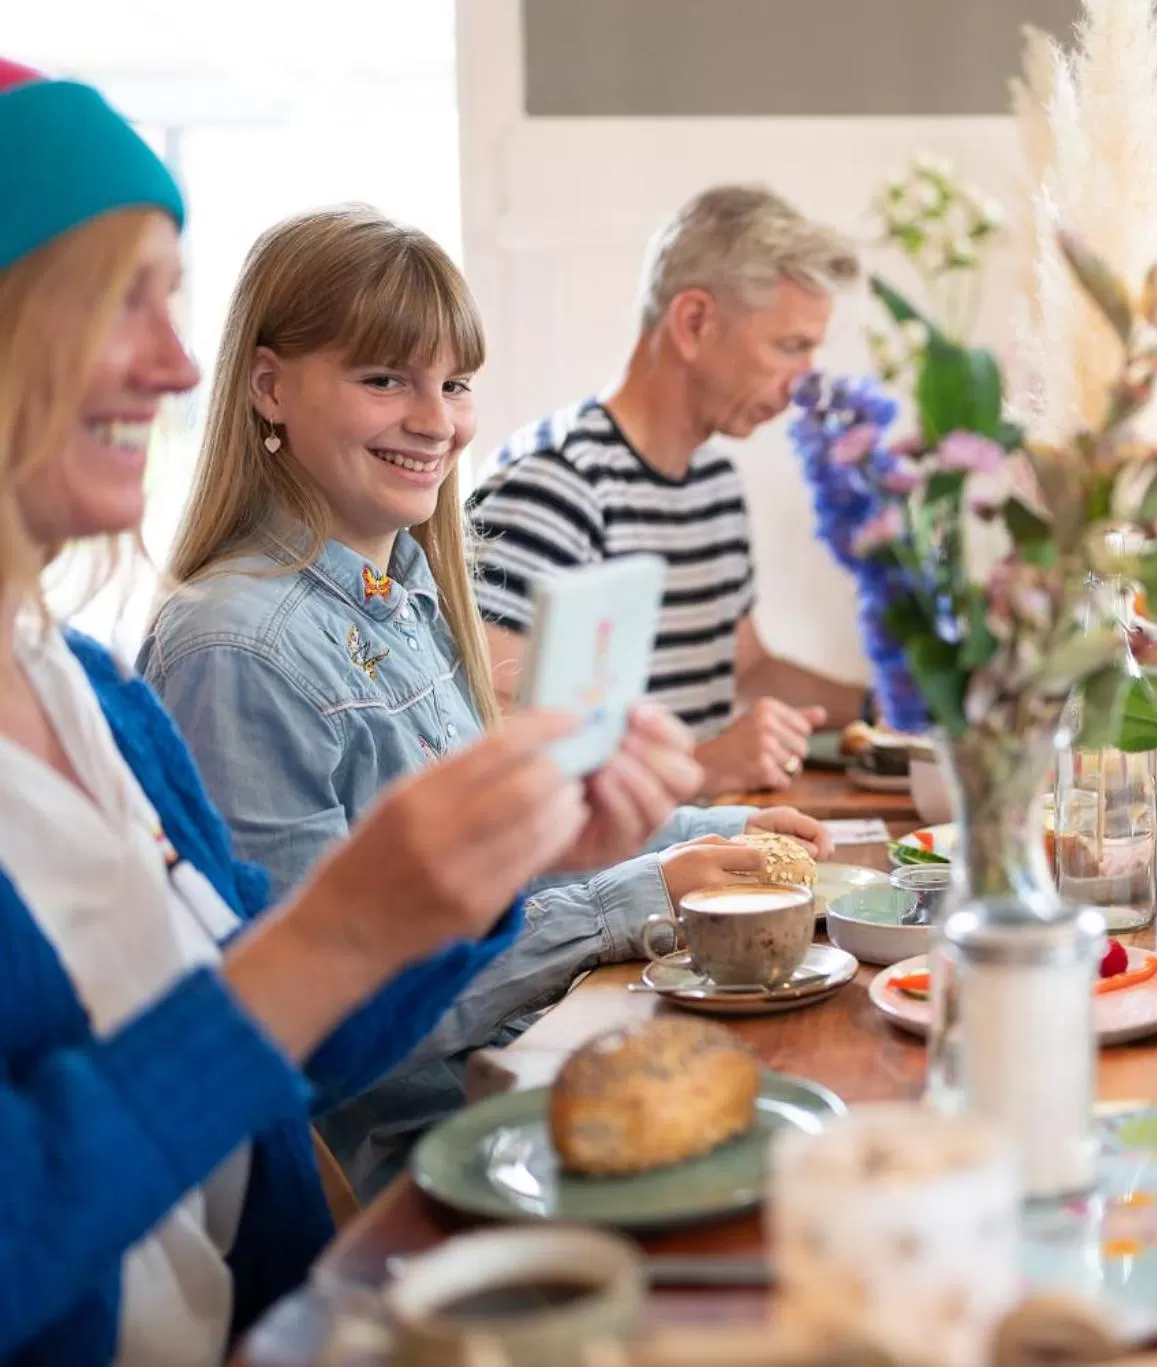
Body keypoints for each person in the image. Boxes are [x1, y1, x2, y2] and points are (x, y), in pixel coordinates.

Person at [0, 61, 663, 1362]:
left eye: (173, 299)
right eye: (115, 301)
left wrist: (489, 874)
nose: (174, 362)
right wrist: (340, 928)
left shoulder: (91, 694)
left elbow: (288, 1051)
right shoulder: (224, 638)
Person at [140, 206, 829, 1192]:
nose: (438, 421)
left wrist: (716, 831)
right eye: (385, 379)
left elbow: (506, 858)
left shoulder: (408, 588)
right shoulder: (235, 648)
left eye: (455, 383)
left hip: (533, 1067)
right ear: (269, 385)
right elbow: (328, 1021)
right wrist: (636, 895)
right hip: (437, 1160)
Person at [467, 185, 872, 795]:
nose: (804, 384)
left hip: (702, 835)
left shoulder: (713, 483)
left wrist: (888, 708)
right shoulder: (552, 484)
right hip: (624, 853)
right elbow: (492, 735)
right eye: (790, 347)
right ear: (693, 322)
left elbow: (747, 669)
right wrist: (703, 767)